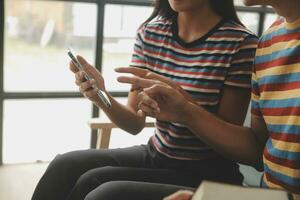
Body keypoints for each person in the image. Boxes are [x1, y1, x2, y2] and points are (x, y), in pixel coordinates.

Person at [31, 0, 258, 199]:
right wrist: (102, 96)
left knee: (95, 185)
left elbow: (229, 142)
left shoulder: (240, 43)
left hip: (208, 171)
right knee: (65, 165)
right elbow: (134, 123)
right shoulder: (151, 34)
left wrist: (184, 105)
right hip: (157, 154)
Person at [115, 0, 300, 199]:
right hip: (267, 195)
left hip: (213, 172)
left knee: (105, 192)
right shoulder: (269, 43)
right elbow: (257, 151)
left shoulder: (243, 42)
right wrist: (185, 110)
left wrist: (187, 110)